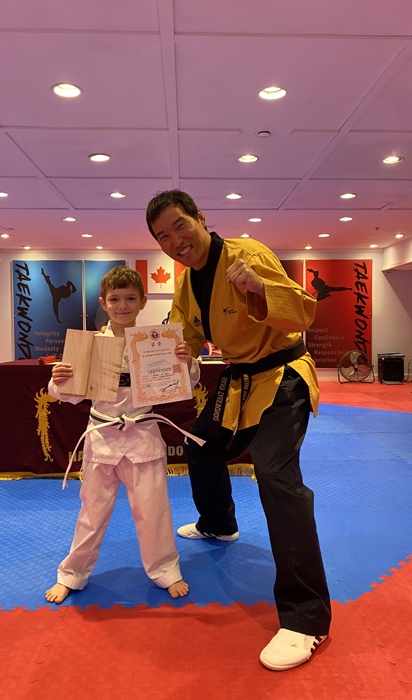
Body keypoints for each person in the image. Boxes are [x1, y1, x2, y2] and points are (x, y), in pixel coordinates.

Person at [146, 190, 331, 671]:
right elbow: (184, 336)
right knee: (200, 446)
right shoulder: (186, 284)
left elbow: (302, 312)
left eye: (179, 225)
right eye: (162, 236)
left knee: (276, 476)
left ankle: (307, 617)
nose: (175, 240)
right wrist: (171, 354)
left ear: (200, 218)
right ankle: (219, 523)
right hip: (240, 379)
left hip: (283, 374)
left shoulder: (247, 254)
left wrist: (259, 288)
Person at [45, 265, 199, 604]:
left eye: (130, 298)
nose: (122, 305)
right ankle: (72, 573)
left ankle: (165, 569)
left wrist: (186, 362)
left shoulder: (157, 342)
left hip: (143, 436)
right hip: (102, 438)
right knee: (92, 512)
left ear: (143, 302)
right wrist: (59, 379)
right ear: (103, 302)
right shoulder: (90, 344)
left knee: (153, 511)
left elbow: (186, 383)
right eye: (115, 299)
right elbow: (69, 395)